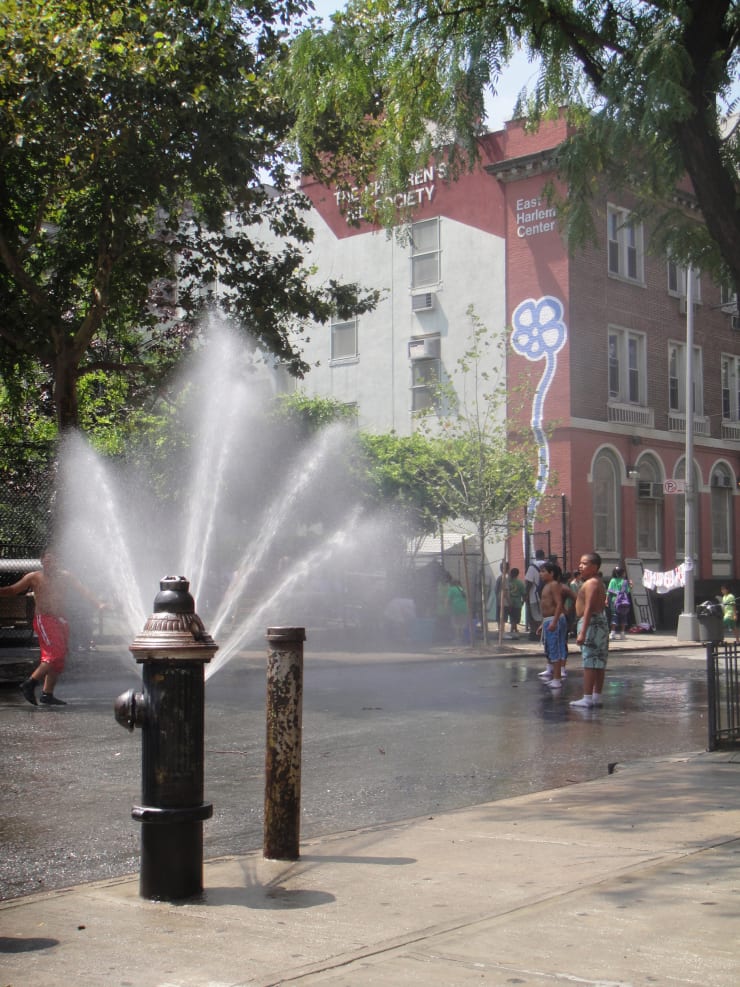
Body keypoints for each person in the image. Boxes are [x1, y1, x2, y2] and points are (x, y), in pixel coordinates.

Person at [0, 550, 106, 707]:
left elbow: (82, 590)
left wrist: (98, 604)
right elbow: (13, 590)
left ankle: (47, 694)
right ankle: (30, 683)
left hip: (61, 620)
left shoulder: (65, 576)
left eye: (53, 560)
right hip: (44, 620)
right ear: (42, 561)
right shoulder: (34, 577)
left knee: (60, 657)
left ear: (58, 562)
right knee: (54, 655)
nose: (50, 562)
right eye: (47, 560)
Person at [570, 552, 609, 709]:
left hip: (591, 623)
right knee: (598, 661)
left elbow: (588, 608)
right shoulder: (597, 582)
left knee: (590, 661)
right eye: (580, 563)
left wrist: (583, 632)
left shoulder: (592, 583)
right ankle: (596, 696)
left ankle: (587, 697)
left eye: (584, 563)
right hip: (597, 621)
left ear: (594, 567)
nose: (580, 566)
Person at [537, 561, 572, 689]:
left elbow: (558, 604)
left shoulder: (554, 585)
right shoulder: (547, 586)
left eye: (543, 571)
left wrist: (554, 621)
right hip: (549, 620)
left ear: (551, 573)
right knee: (551, 648)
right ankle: (554, 676)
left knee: (556, 647)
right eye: (540, 571)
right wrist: (543, 624)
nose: (541, 574)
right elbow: (547, 606)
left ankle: (557, 678)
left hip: (554, 619)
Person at [524, 548, 546, 640]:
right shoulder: (548, 565)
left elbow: (529, 582)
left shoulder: (532, 567)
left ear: (536, 556)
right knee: (544, 614)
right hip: (547, 595)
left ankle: (537, 634)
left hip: (534, 595)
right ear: (543, 556)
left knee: (535, 615)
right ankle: (544, 633)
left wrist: (526, 594)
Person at [607, 565, 632, 641]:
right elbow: (627, 591)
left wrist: (606, 599)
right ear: (622, 573)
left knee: (614, 616)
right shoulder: (624, 581)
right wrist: (630, 585)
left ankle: (612, 633)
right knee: (623, 617)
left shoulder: (612, 580)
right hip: (624, 601)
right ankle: (622, 634)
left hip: (614, 601)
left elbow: (609, 591)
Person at [507, 567, 526, 639]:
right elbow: (524, 594)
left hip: (508, 602)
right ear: (518, 574)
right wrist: (523, 602)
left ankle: (513, 629)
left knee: (512, 617)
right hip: (517, 603)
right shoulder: (520, 583)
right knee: (516, 617)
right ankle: (514, 630)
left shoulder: (507, 582)